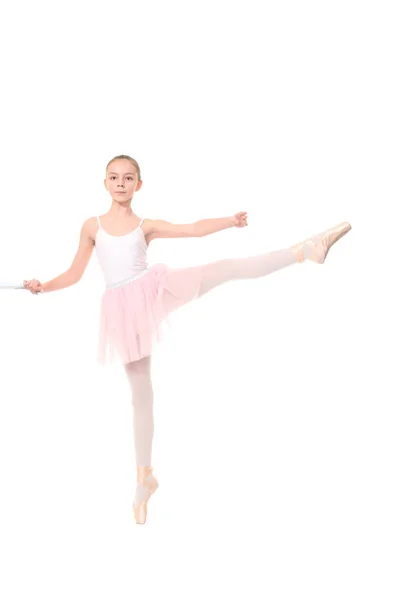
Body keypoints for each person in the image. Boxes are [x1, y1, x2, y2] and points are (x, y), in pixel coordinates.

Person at [23, 154, 352, 524]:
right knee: (141, 396)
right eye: (114, 177)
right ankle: (144, 477)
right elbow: (74, 272)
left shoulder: (144, 226)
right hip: (123, 312)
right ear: (104, 183)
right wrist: (45, 286)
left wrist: (228, 222)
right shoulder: (91, 226)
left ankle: (305, 250)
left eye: (128, 178)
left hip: (155, 290)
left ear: (138, 185)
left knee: (226, 268)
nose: (120, 183)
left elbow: (192, 229)